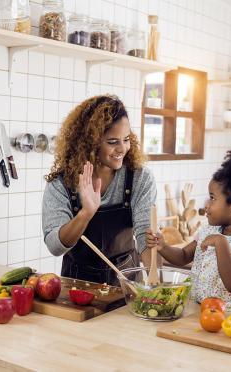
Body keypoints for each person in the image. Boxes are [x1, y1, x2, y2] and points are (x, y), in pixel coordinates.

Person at [42, 95, 156, 286]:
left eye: (126, 139)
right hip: (77, 284)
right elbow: (54, 246)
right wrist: (85, 214)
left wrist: (154, 281)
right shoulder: (62, 183)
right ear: (90, 143)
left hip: (126, 282)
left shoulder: (140, 177)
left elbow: (145, 235)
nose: (122, 148)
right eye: (112, 142)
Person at [146, 146, 231, 312]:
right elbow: (184, 256)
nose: (206, 205)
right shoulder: (208, 231)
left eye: (213, 198)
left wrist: (221, 243)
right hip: (202, 312)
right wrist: (162, 246)